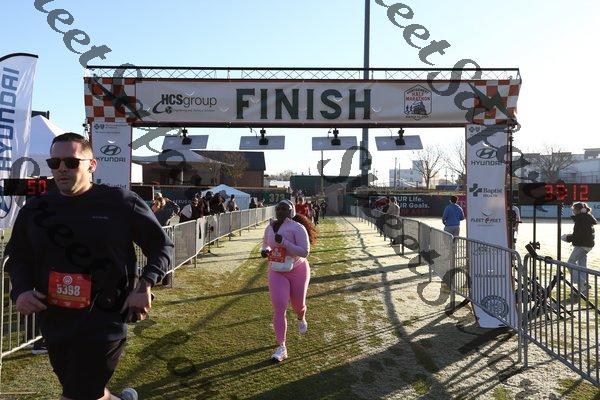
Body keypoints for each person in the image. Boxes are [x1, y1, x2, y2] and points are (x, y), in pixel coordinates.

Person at [6, 132, 174, 400]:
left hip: (104, 320)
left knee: (77, 395)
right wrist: (21, 291)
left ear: (92, 165)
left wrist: (144, 286)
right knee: (89, 393)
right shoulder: (37, 208)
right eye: (55, 163)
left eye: (71, 162)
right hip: (55, 320)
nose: (62, 169)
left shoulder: (121, 202)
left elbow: (161, 246)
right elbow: (18, 256)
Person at [261, 199, 317, 362]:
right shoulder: (269, 227)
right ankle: (281, 347)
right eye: (278, 208)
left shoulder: (297, 228)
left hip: (298, 269)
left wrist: (284, 243)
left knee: (298, 305)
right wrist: (265, 250)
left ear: (291, 212)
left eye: (284, 209)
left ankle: (301, 317)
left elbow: (304, 252)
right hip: (277, 270)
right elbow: (266, 244)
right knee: (279, 307)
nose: (280, 211)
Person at [562, 202, 597, 297]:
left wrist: (567, 238)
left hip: (583, 245)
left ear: (578, 210)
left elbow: (580, 235)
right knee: (582, 266)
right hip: (586, 244)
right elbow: (581, 233)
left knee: (570, 263)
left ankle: (583, 284)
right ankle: (582, 289)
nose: (572, 211)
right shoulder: (585, 217)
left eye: (574, 209)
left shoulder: (582, 219)